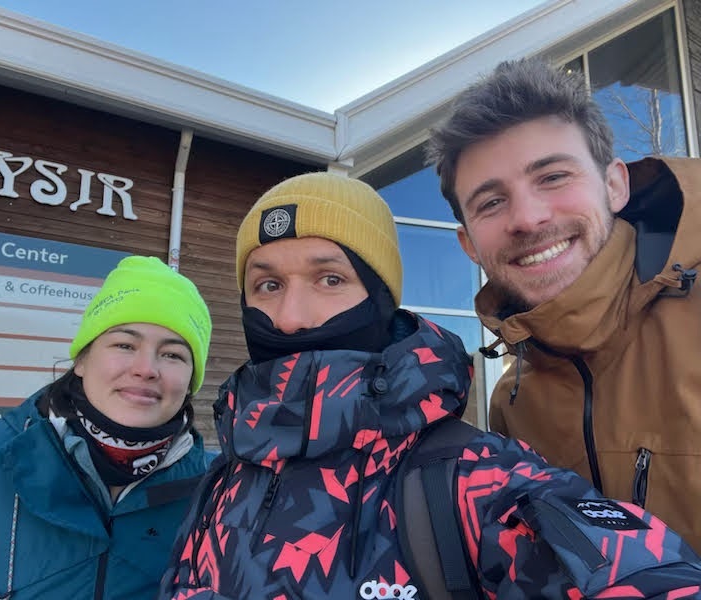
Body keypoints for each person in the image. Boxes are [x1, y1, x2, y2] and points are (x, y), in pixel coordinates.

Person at [156, 171, 701, 599]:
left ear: (380, 298)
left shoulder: (474, 481)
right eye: (267, 283)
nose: (291, 316)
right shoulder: (221, 481)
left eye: (329, 279)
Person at [428, 56, 701, 552]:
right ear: (470, 246)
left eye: (553, 176)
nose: (528, 219)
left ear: (615, 184)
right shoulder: (512, 400)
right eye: (491, 202)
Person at [0, 255, 213, 599]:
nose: (146, 368)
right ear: (81, 359)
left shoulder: (222, 492)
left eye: (173, 355)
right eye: (124, 344)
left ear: (190, 380)